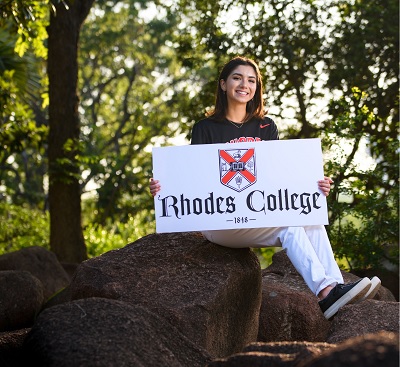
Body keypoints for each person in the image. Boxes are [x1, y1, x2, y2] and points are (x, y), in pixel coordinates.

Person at [149, 56, 381, 320]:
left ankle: (336, 288)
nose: (244, 85)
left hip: (256, 215)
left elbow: (276, 177)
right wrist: (162, 188)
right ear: (223, 84)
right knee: (291, 227)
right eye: (237, 78)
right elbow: (193, 176)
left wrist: (313, 186)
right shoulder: (205, 128)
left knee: (310, 220)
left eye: (251, 80)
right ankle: (326, 293)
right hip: (219, 223)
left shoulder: (266, 126)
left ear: (256, 88)